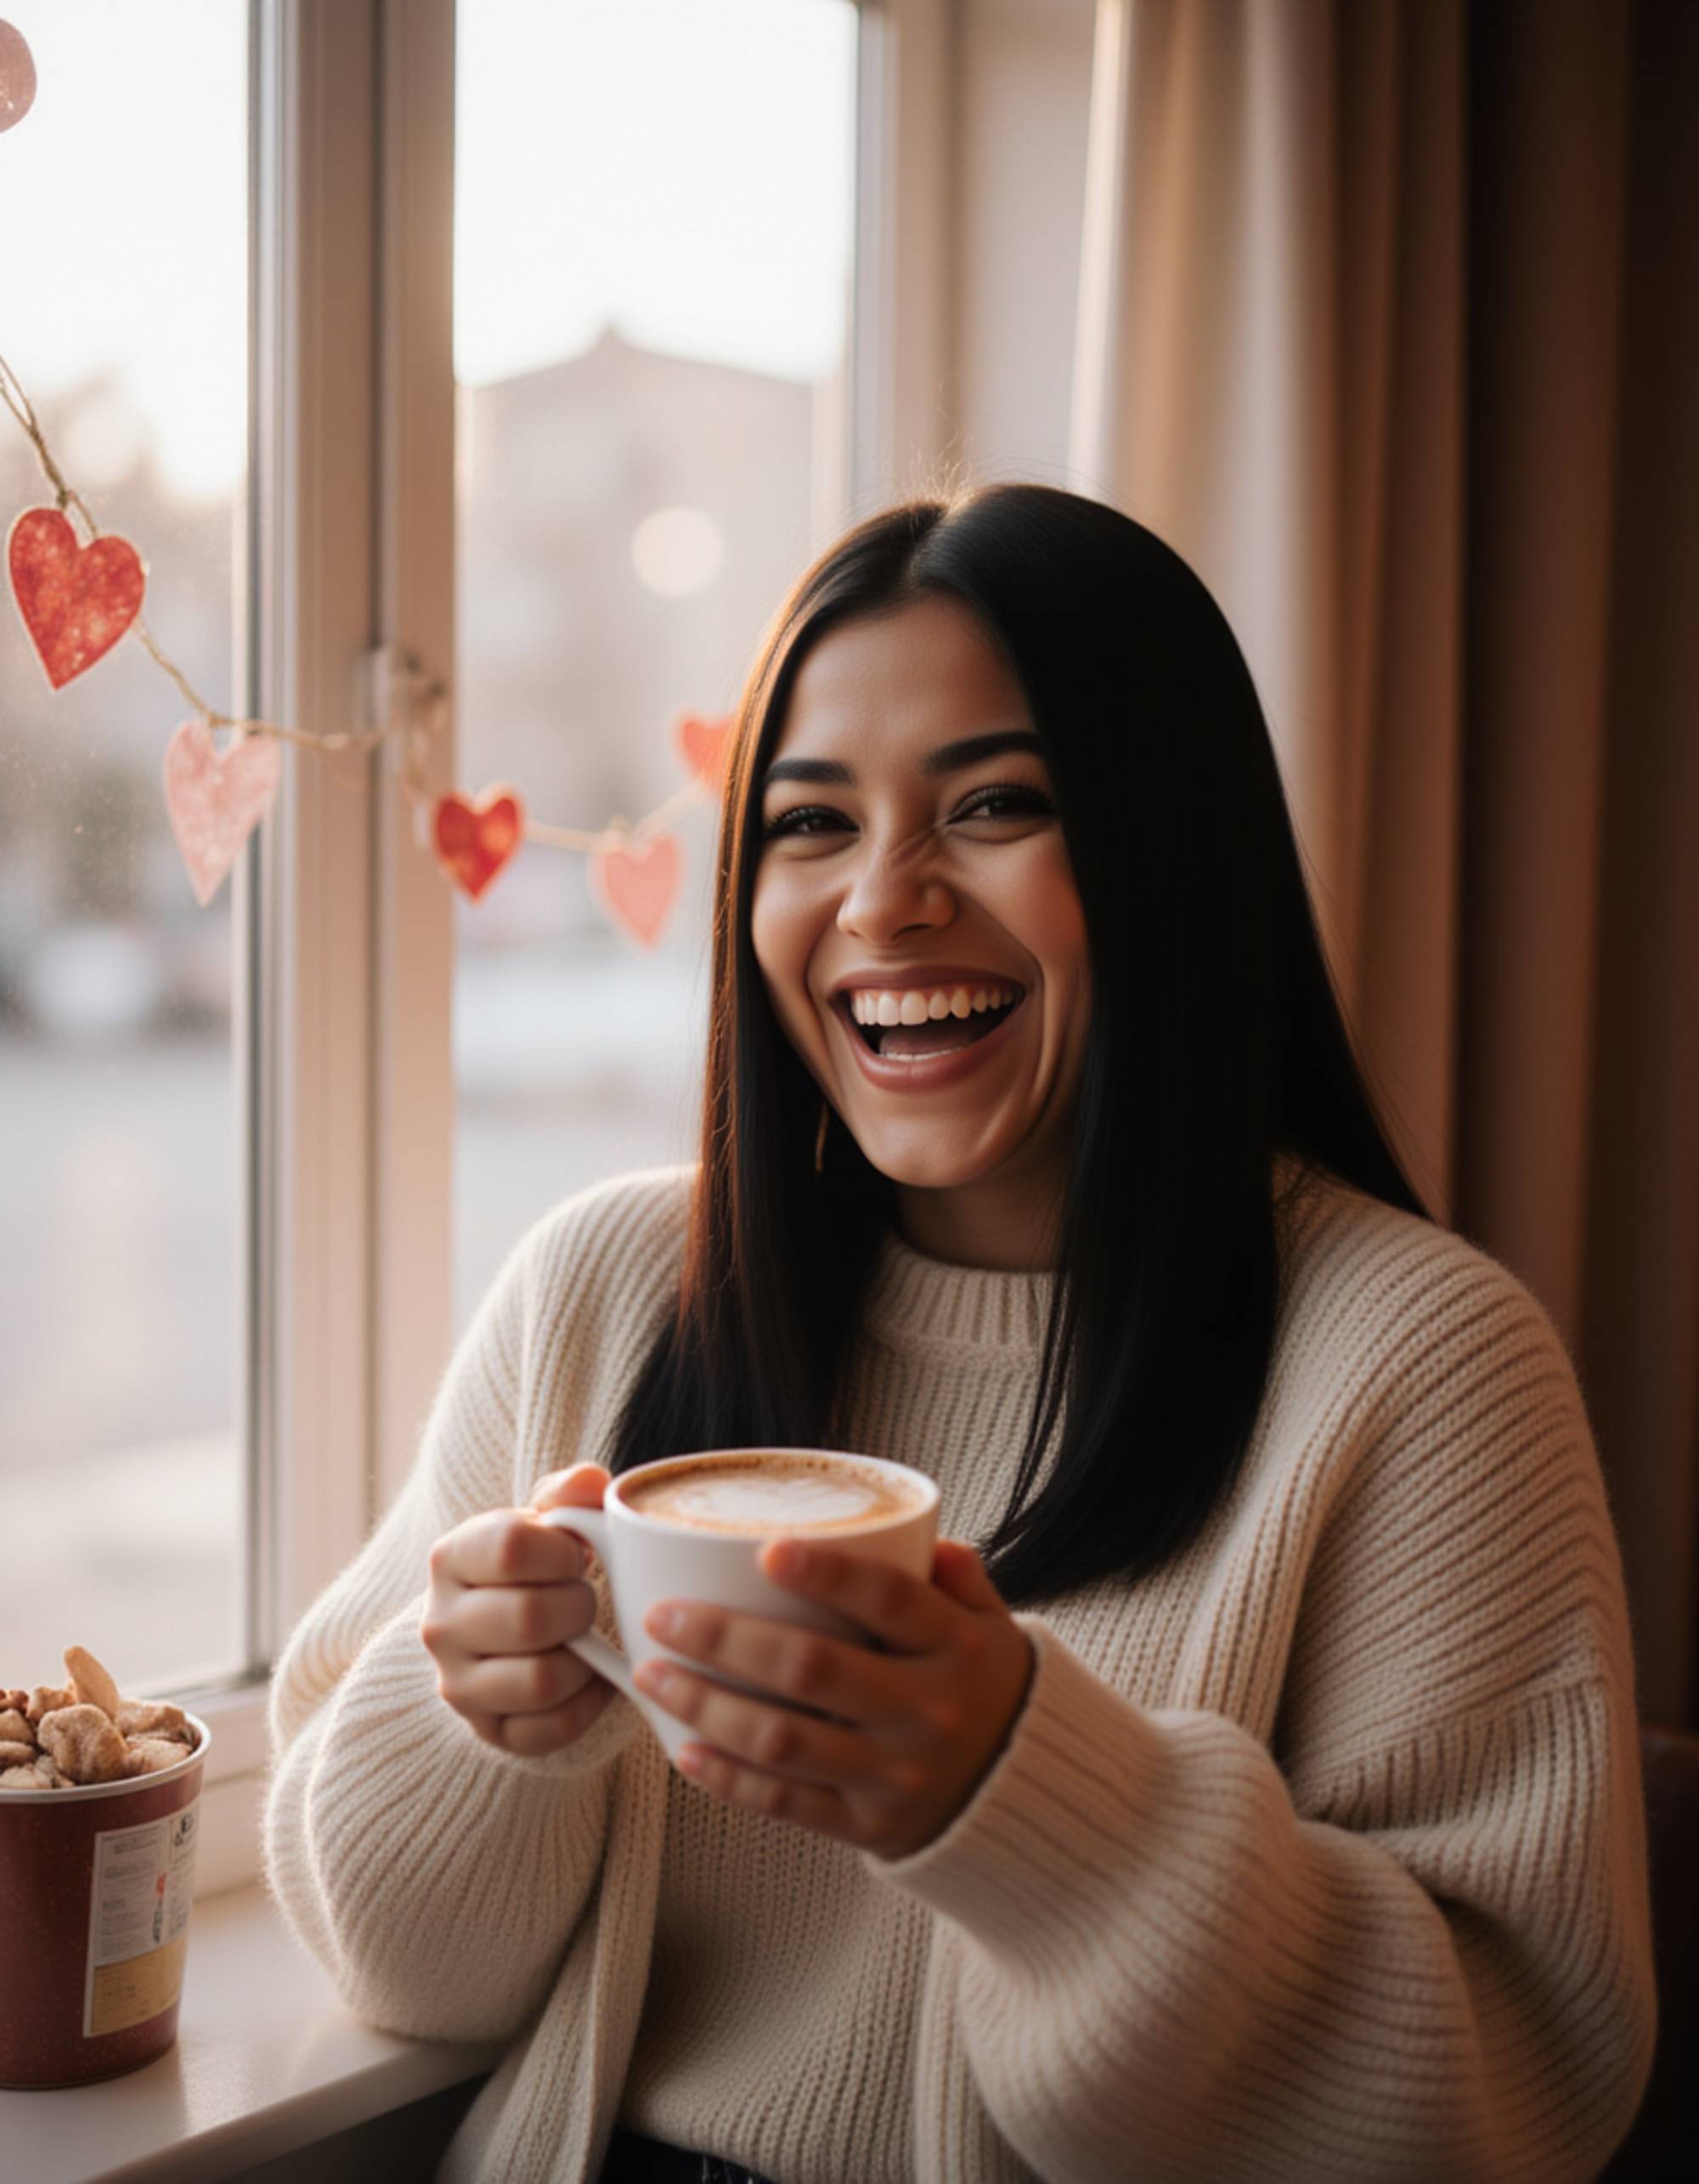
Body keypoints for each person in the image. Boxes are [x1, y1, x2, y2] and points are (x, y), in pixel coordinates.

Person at [264, 486, 1656, 2184]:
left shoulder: (1422, 1366)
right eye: (809, 823)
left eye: (996, 803)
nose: (884, 900)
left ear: (1170, 850)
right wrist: (477, 1715)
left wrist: (1028, 1797)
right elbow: (404, 1968)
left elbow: (1502, 2105)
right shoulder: (603, 1286)